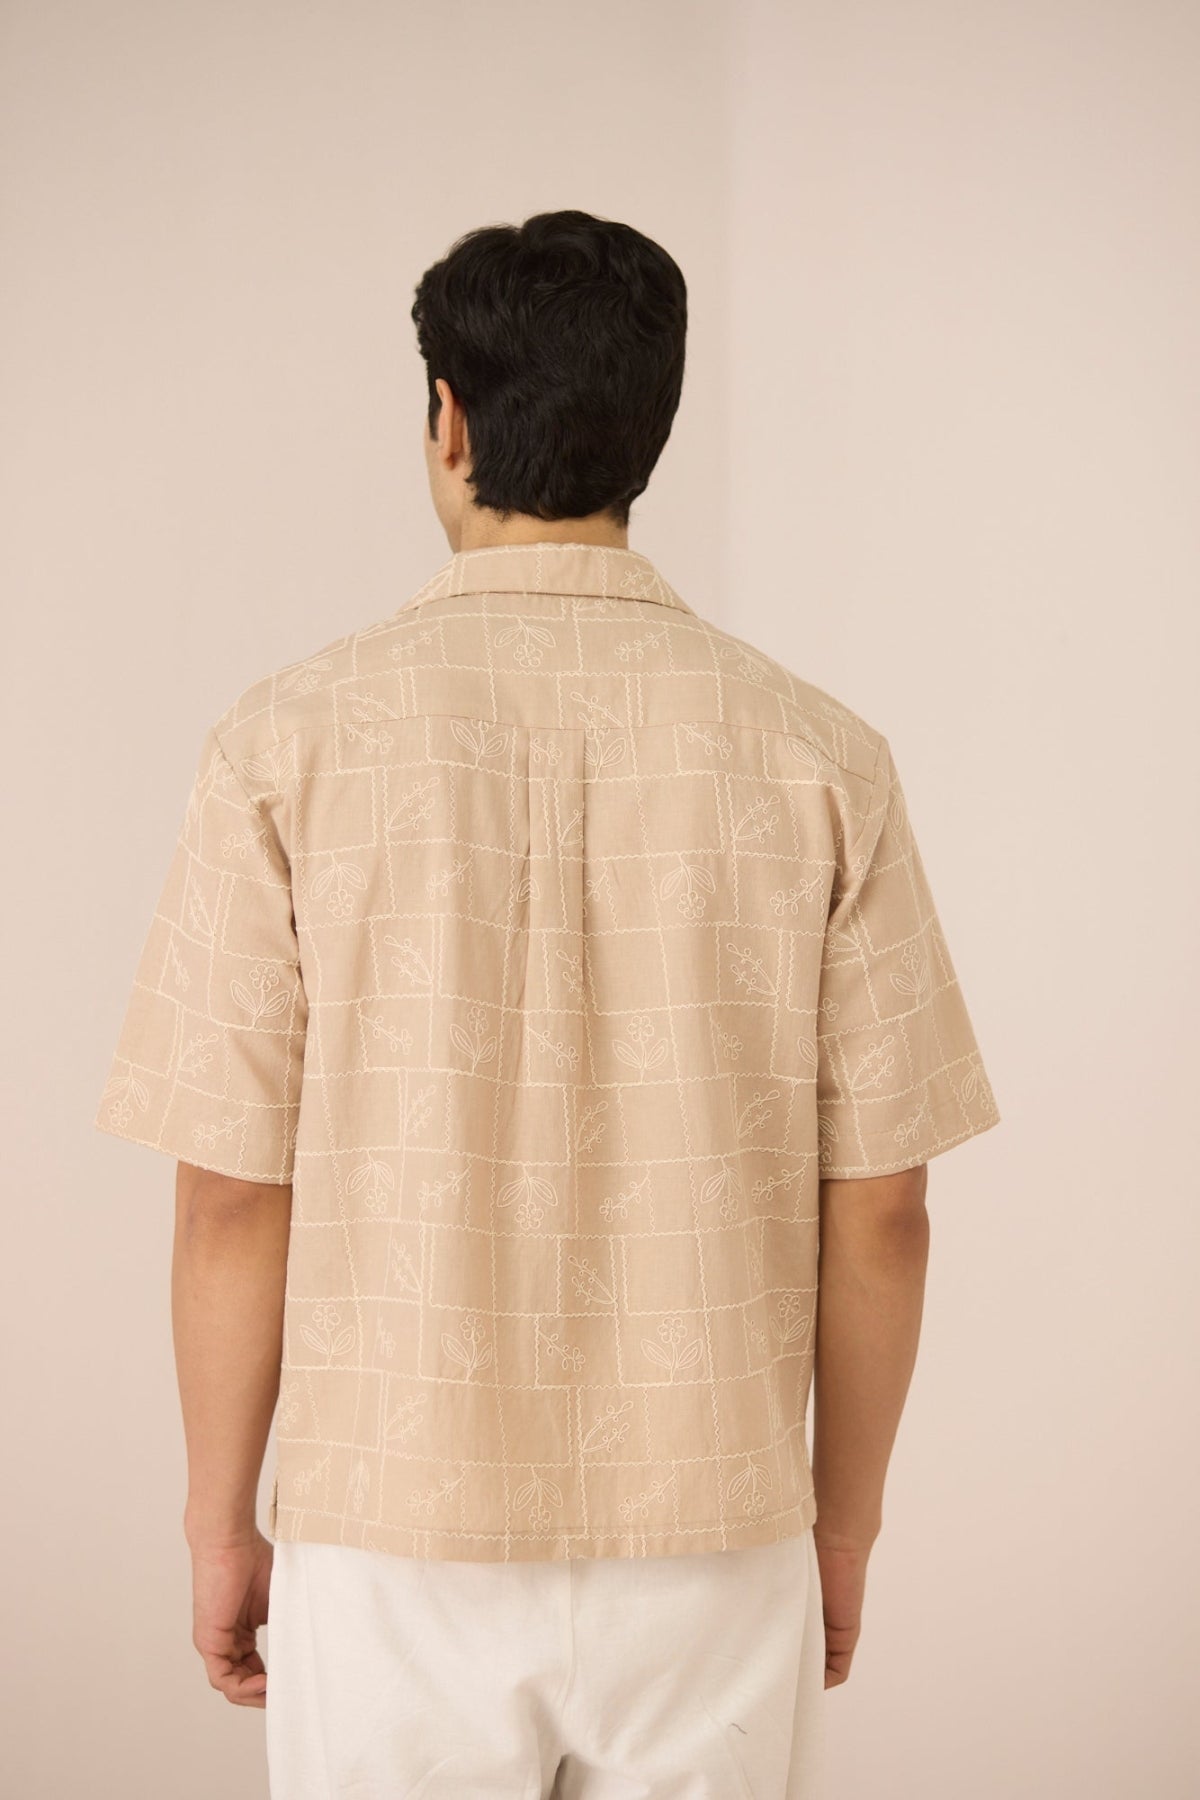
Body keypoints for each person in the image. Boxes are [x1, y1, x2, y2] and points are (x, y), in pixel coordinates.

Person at [94, 208, 1001, 1799]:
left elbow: (229, 1194)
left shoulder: (284, 747)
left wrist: (216, 1519)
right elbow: (885, 1208)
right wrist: (841, 1525)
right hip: (712, 1533)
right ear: (651, 429)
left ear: (447, 419)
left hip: (391, 1531)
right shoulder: (823, 759)